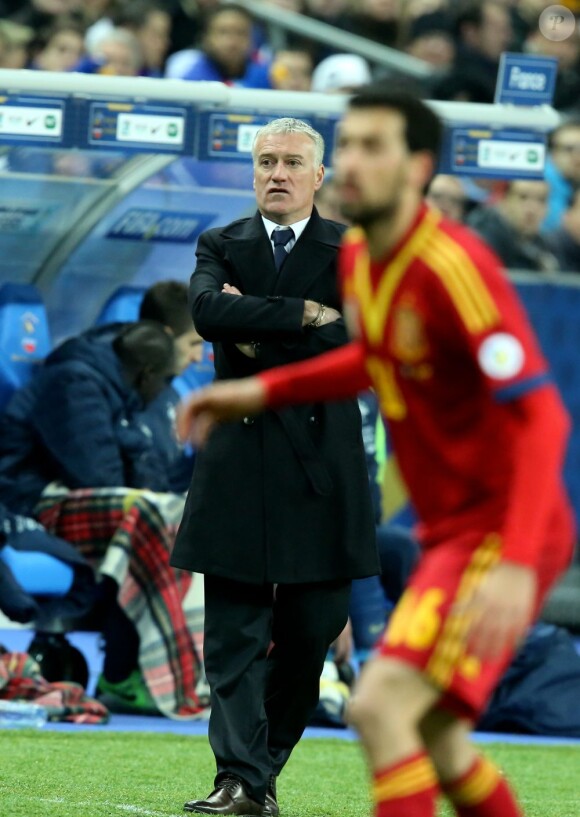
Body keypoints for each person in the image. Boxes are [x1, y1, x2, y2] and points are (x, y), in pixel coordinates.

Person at [177, 86, 576, 817]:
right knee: (431, 732)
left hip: (501, 531)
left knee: (381, 705)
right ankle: (242, 777)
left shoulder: (452, 264)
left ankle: (252, 778)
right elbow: (369, 357)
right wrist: (253, 393)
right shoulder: (364, 254)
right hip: (451, 529)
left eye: (371, 146)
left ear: (417, 165)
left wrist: (518, 560)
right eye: (350, 141)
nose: (355, 159)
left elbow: (542, 416)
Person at [170, 116, 378, 816]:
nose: (277, 173)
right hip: (239, 465)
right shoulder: (220, 243)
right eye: (265, 162)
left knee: (309, 634)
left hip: (325, 469)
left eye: (292, 162)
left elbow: (361, 342)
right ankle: (239, 781)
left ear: (319, 177)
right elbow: (205, 313)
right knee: (232, 636)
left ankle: (256, 775)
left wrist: (256, 327)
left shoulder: (354, 250)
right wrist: (308, 316)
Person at [0, 321, 202, 719]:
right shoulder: (73, 383)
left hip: (86, 505)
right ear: (146, 374)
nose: (166, 390)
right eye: (164, 380)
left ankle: (178, 672)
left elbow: (148, 473)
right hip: (31, 505)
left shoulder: (120, 391)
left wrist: (134, 445)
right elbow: (98, 475)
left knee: (184, 513)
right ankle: (130, 672)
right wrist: (134, 443)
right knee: (149, 514)